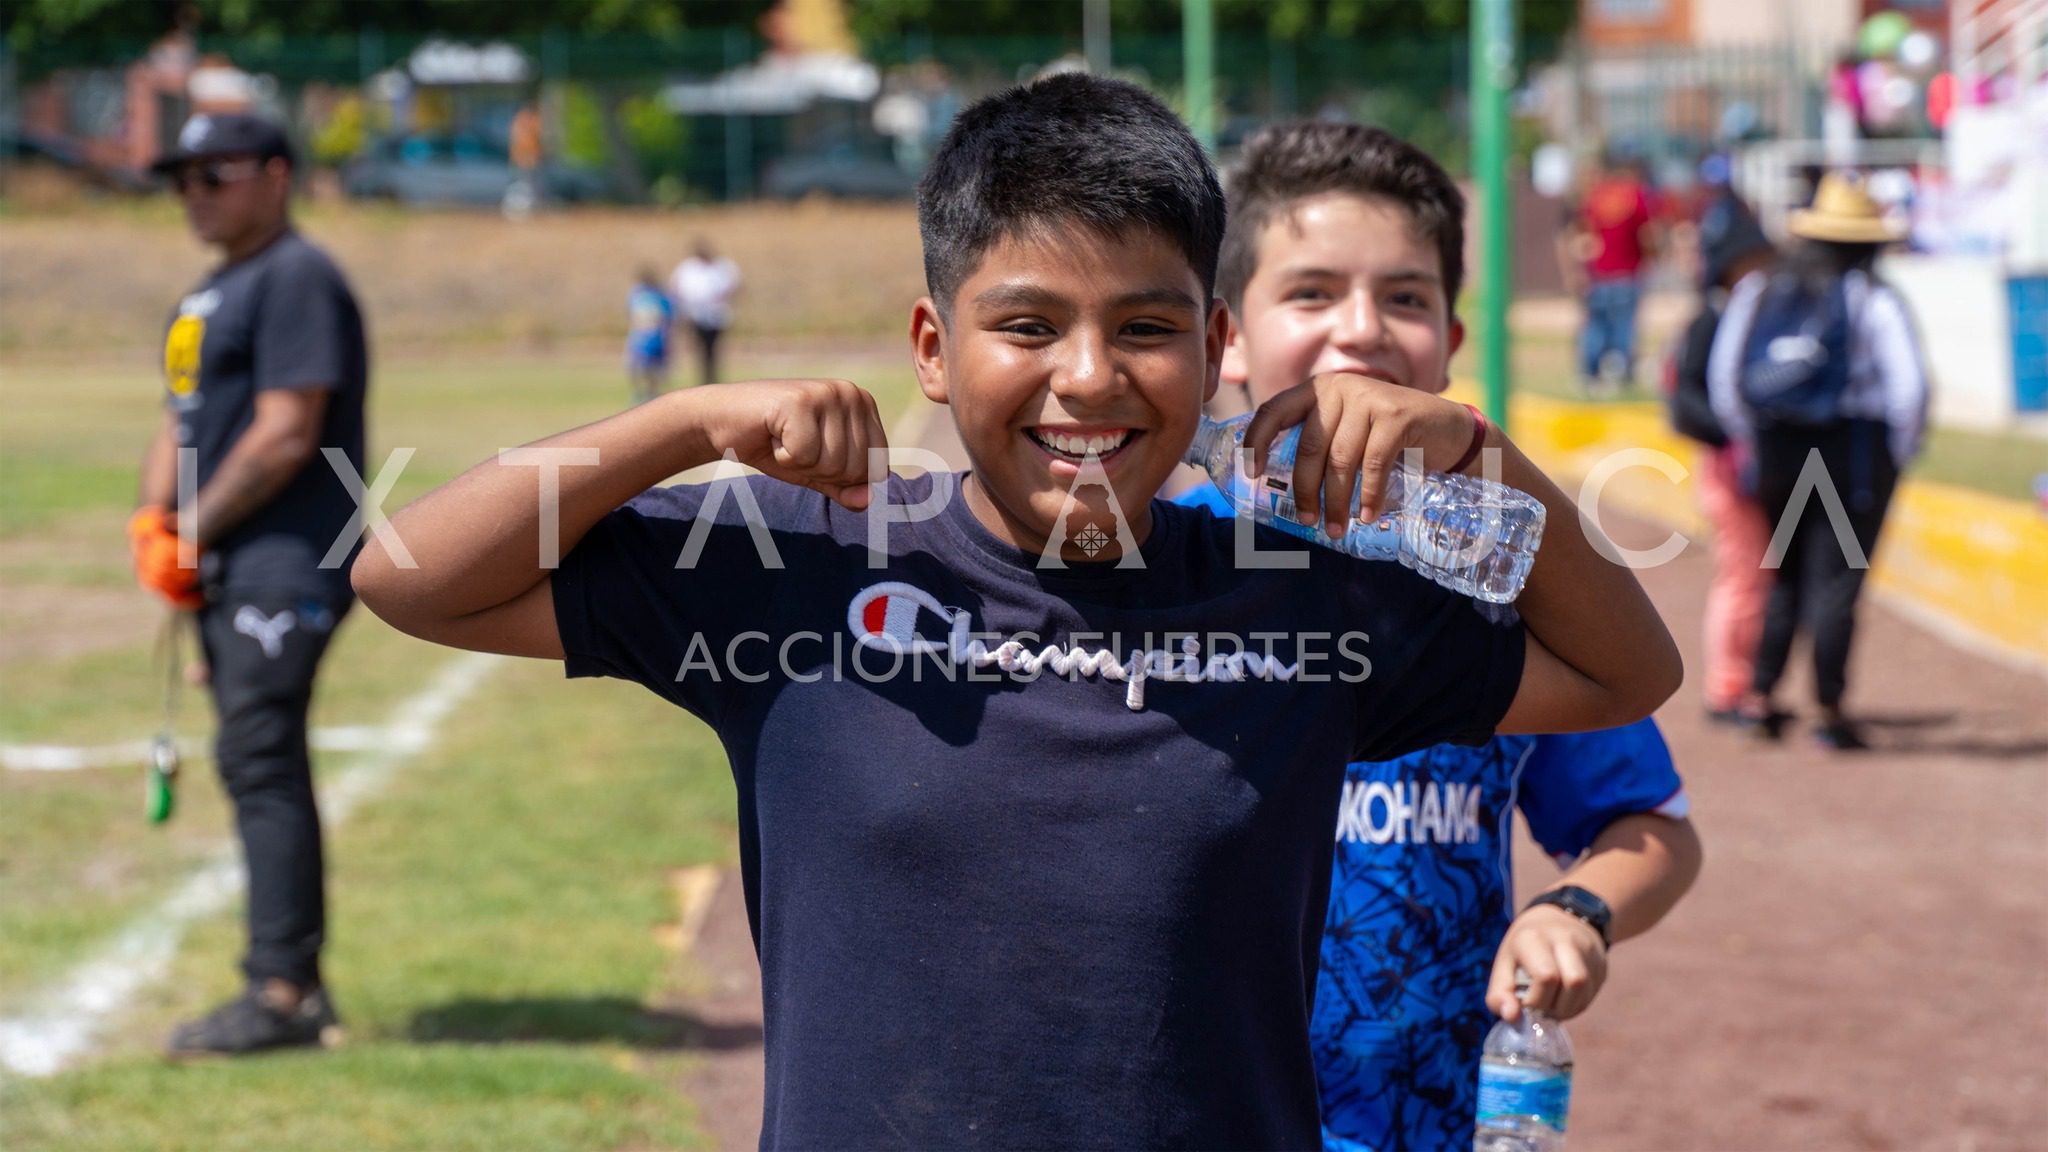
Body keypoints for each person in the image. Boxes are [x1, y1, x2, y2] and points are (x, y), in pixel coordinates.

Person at [352, 74, 1680, 1147]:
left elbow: (1623, 674)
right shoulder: (805, 572)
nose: (1089, 380)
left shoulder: (1297, 609)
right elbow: (408, 573)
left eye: (1144, 328)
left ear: (1214, 345)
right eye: (1029, 325)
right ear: (934, 348)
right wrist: (684, 422)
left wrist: (1480, 459)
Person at [1187, 120, 1702, 1151]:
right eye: (1310, 292)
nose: (1362, 330)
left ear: (1450, 347)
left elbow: (1652, 827)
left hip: (1440, 1124)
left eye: (1406, 298)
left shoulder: (1511, 593)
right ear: (1224, 338)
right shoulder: (1160, 572)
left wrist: (1575, 913)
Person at [132, 112, 368, 1055]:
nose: (194, 193)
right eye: (181, 178)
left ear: (276, 175)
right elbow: (179, 420)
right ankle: (285, 979)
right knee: (248, 755)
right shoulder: (206, 295)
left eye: (213, 175)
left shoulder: (296, 276)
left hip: (291, 548)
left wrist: (190, 528)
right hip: (229, 558)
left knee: (259, 755)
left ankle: (283, 992)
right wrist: (155, 527)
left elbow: (284, 429)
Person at [1708, 172, 1928, 750]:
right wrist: (1898, 454)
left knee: (1783, 573)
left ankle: (1760, 696)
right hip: (1850, 460)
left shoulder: (1762, 289)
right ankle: (1829, 709)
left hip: (1779, 455)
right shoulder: (1869, 295)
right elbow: (1909, 387)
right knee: (1838, 579)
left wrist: (1751, 443)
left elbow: (1727, 378)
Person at [1668, 174, 1777, 726]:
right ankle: (1727, 687)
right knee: (1744, 575)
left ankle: (1752, 681)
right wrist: (1737, 436)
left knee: (1761, 575)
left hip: (1758, 466)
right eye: (1751, 261)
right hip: (1729, 468)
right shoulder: (1711, 321)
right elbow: (1684, 402)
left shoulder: (1752, 314)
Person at [1559, 153, 1659, 394]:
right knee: (1624, 326)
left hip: (1599, 275)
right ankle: (1619, 370)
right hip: (1627, 273)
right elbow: (1646, 234)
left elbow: (1581, 234)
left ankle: (1589, 373)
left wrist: (1578, 269)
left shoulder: (1596, 197)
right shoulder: (1634, 196)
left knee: (1596, 326)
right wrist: (1653, 257)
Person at [669, 238, 739, 387]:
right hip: (695, 315)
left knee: (712, 350)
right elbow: (675, 287)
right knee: (699, 350)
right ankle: (703, 381)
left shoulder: (721, 266)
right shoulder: (687, 268)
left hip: (716, 316)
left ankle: (712, 379)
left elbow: (734, 285)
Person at [625, 266, 675, 406]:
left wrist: (667, 339)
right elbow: (631, 316)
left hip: (655, 340)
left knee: (653, 371)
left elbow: (667, 319)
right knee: (636, 369)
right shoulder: (635, 296)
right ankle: (640, 393)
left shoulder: (660, 297)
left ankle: (652, 394)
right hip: (639, 339)